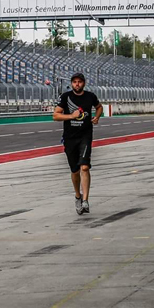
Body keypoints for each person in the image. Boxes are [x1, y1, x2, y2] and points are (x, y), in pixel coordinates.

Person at [53, 73, 103, 215]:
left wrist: (97, 117)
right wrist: (71, 116)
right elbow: (55, 115)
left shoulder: (90, 96)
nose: (77, 84)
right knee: (75, 171)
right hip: (70, 138)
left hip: (85, 136)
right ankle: (77, 195)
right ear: (71, 83)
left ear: (84, 83)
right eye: (75, 82)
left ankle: (86, 200)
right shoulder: (65, 97)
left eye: (80, 82)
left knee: (85, 167)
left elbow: (99, 107)